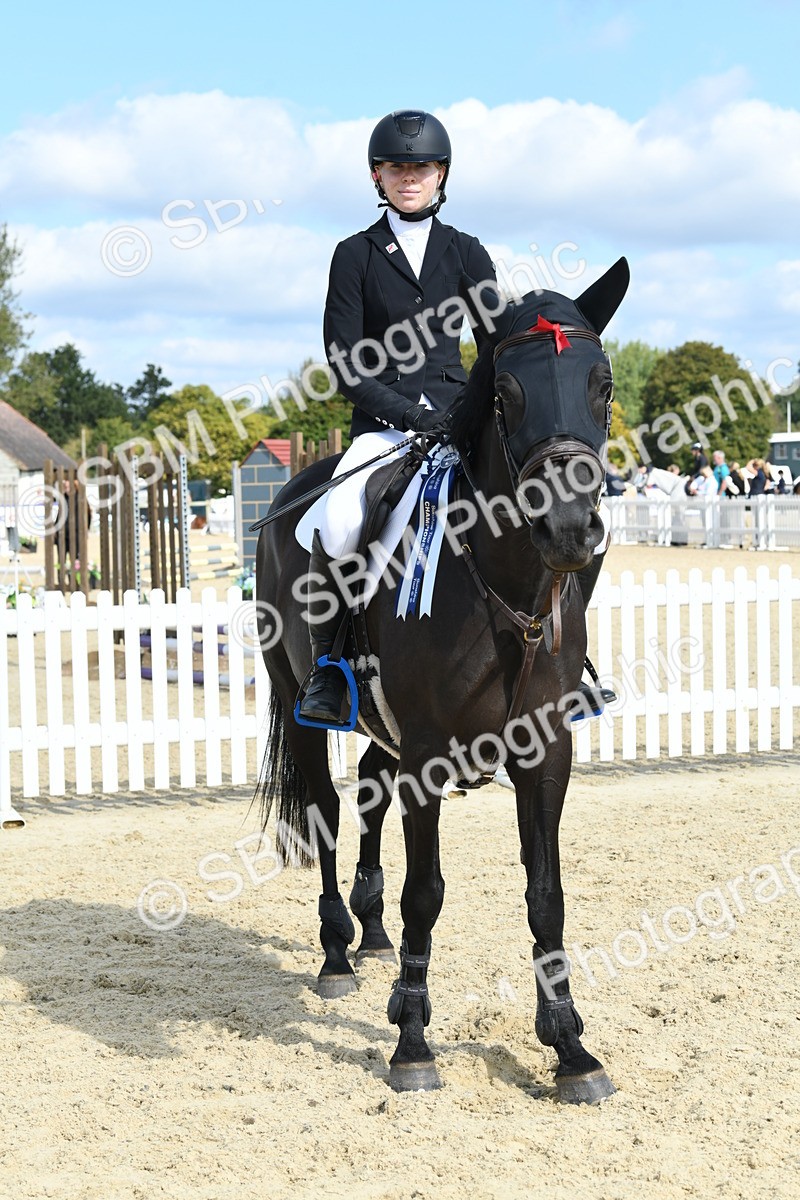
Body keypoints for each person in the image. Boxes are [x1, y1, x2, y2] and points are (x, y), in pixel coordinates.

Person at [299, 110, 497, 722]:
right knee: (338, 519)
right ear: (377, 176)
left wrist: (467, 411)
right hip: (383, 426)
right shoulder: (354, 255)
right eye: (397, 167)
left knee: (536, 503)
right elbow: (345, 363)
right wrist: (410, 417)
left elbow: (493, 341)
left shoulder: (467, 252)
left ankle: (565, 663)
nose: (409, 176)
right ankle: (328, 668)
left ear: (441, 174)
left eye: (422, 167)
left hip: (457, 417)